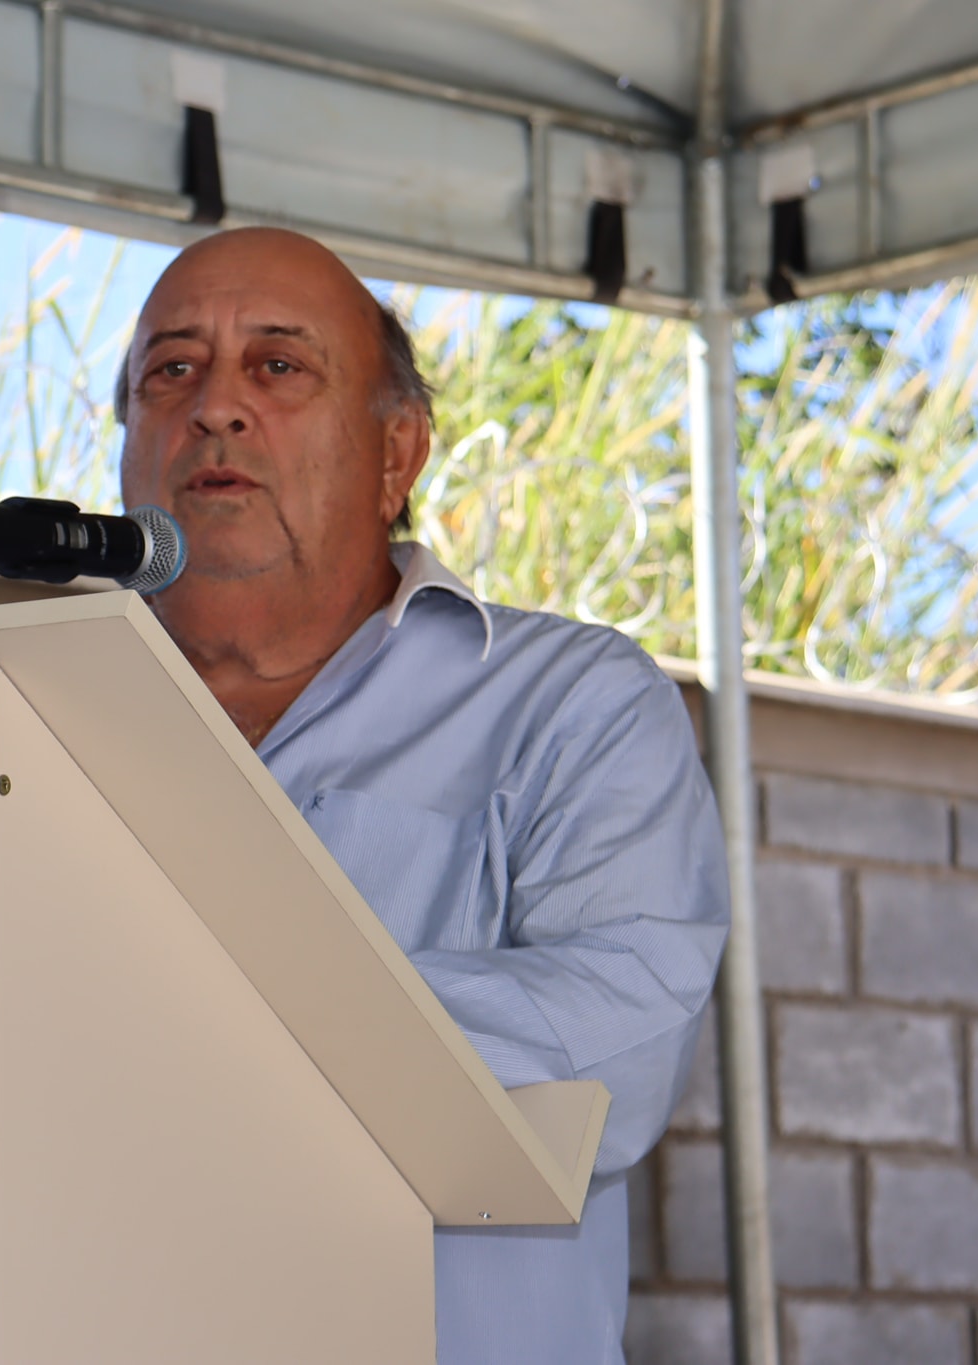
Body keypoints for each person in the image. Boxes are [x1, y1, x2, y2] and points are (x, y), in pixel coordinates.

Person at [116, 227, 729, 1363]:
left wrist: (188, 1019)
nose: (215, 407)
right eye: (172, 369)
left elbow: (615, 1049)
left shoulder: (566, 704)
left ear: (396, 450)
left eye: (278, 366)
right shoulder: (32, 708)